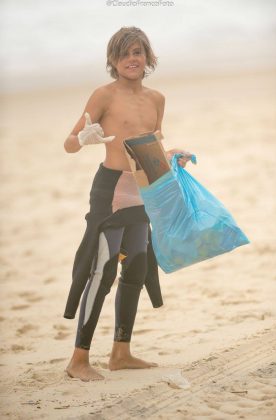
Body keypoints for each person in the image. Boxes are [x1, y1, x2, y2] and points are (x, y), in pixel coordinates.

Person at [63, 27, 189, 381]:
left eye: (137, 52)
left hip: (142, 190)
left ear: (148, 57)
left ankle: (120, 353)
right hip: (111, 192)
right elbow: (69, 143)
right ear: (112, 61)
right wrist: (83, 139)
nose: (131, 59)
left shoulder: (157, 99)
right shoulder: (103, 95)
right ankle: (78, 360)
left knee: (135, 268)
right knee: (102, 272)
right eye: (124, 54)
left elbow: (151, 148)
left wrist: (173, 155)